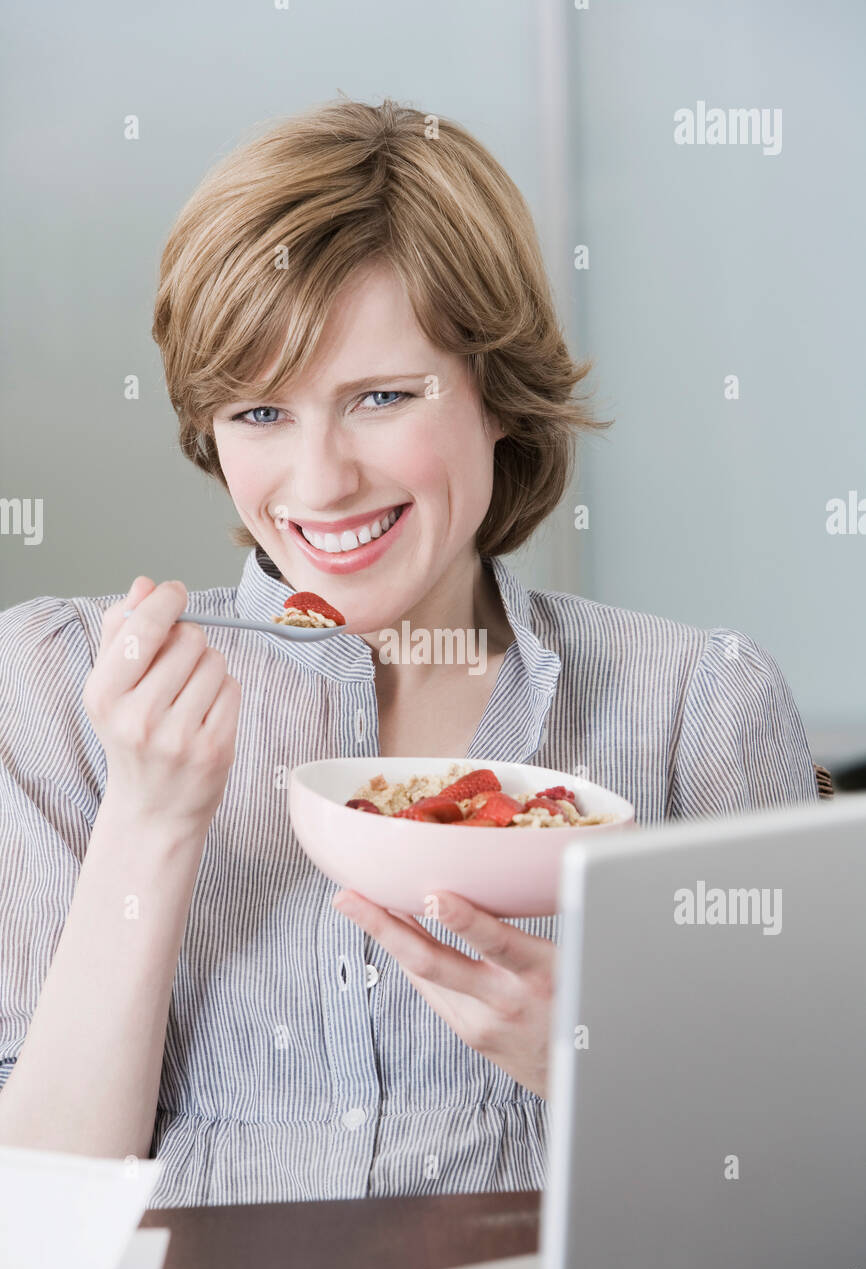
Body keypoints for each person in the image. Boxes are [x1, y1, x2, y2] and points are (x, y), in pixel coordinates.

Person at [0, 99, 818, 1207]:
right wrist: (147, 821)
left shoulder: (694, 709)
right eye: (258, 413)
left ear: (498, 394)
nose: (320, 481)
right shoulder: (59, 691)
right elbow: (34, 1221)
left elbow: (800, 1213)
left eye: (381, 397)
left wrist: (598, 1070)